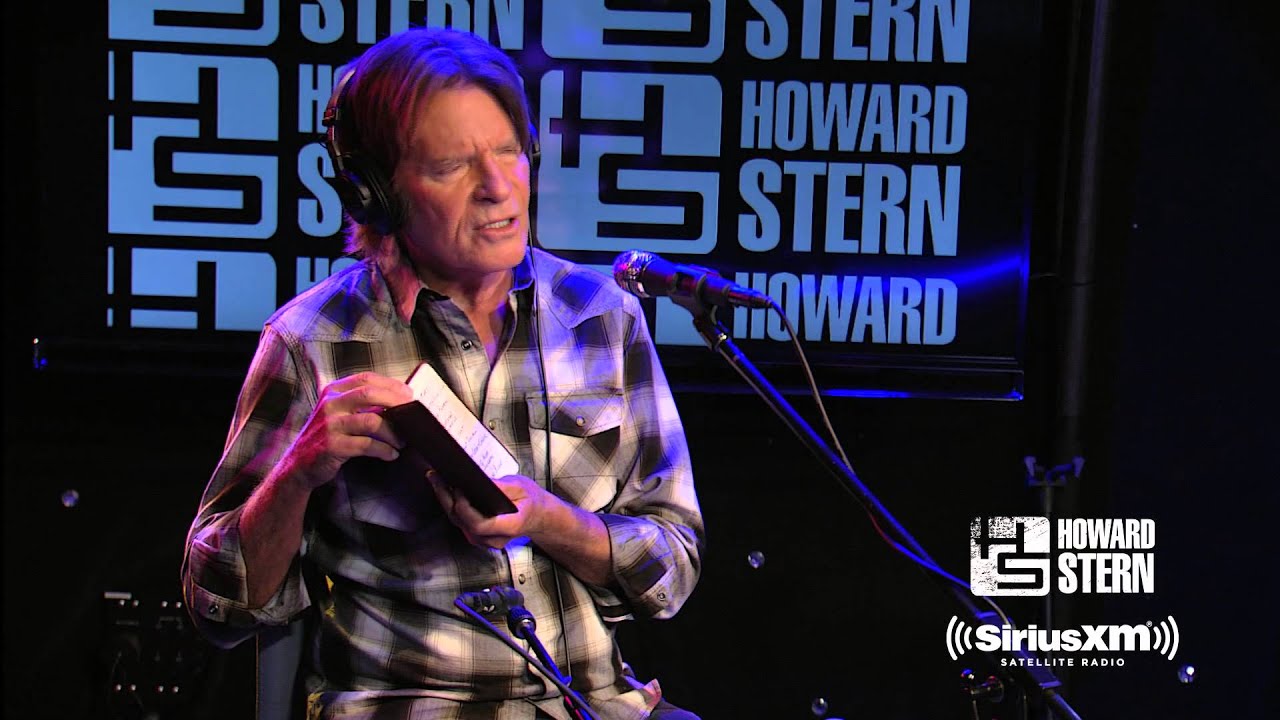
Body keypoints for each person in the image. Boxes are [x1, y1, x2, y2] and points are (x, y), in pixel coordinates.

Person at [181, 26, 704, 720]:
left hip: (594, 706)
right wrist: (298, 473)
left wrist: (551, 521)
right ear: (377, 194)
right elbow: (217, 606)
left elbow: (674, 567)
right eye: (452, 165)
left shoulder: (603, 318)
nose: (498, 188)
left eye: (509, 151)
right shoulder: (310, 341)